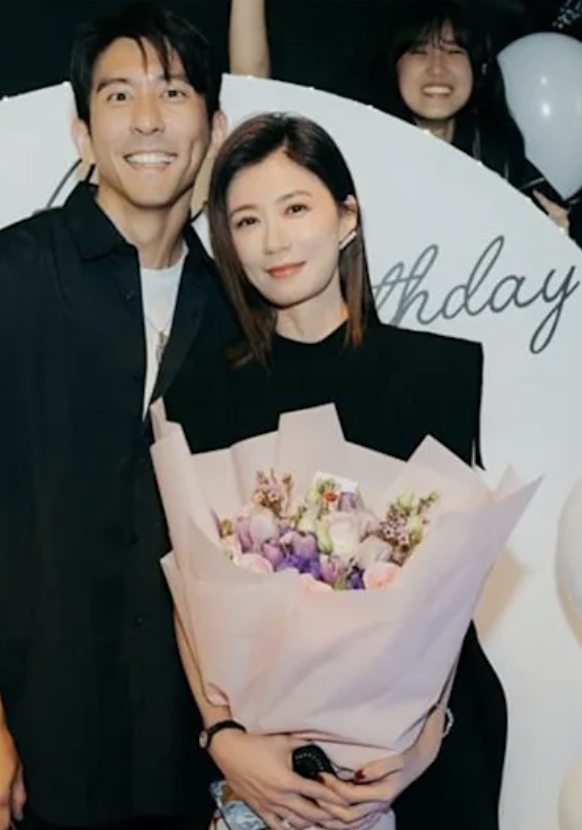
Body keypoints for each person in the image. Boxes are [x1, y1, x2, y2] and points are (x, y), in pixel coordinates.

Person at [0, 4, 236, 830]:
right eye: (119, 95)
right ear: (81, 132)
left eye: (174, 92)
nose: (148, 118)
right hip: (32, 754)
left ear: (214, 129)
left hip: (190, 765)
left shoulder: (233, 313)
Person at [164, 113, 507, 830]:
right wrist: (224, 739)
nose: (274, 241)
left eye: (295, 208)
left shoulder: (437, 372)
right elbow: (188, 590)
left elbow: (446, 593)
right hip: (261, 769)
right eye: (248, 221)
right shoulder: (201, 390)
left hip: (424, 760)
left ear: (346, 217)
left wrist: (420, 742)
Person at [228, 0, 571, 235]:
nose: (437, 68)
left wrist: (554, 240)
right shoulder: (354, 152)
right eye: (418, 51)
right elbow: (254, 93)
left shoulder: (499, 155)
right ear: (394, 68)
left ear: (477, 68)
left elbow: (547, 232)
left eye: (454, 51)